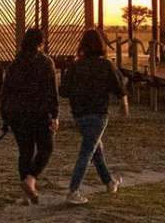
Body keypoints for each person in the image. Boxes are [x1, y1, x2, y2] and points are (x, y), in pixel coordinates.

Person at [60, 29, 128, 205]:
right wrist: (124, 103)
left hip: (79, 115)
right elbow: (119, 86)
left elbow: (64, 92)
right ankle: (73, 191)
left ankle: (109, 182)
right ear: (101, 45)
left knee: (96, 148)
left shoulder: (75, 66)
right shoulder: (105, 65)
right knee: (87, 151)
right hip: (98, 115)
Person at [0, 28, 59, 205]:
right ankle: (30, 180)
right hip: (38, 113)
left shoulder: (15, 63)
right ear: (41, 43)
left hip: (16, 114)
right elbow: (51, 91)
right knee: (46, 148)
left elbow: (5, 91)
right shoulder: (46, 62)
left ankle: (26, 195)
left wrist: (5, 115)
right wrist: (55, 115)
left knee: (25, 151)